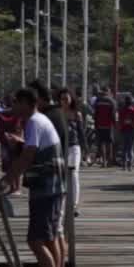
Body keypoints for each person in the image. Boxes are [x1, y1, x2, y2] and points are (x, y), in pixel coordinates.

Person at [0, 88, 65, 267]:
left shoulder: (34, 122)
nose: (13, 106)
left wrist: (5, 180)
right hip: (51, 186)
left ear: (27, 103)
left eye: (16, 102)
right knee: (49, 238)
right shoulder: (39, 120)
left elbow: (28, 156)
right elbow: (31, 150)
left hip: (46, 187)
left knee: (35, 240)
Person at [60, 88, 84, 217]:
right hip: (60, 148)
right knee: (62, 176)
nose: (64, 101)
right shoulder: (57, 114)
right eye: (62, 99)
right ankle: (62, 205)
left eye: (66, 98)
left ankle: (74, 205)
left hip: (74, 147)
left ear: (71, 99)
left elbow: (81, 133)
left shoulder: (76, 114)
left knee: (73, 175)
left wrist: (86, 151)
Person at [92, 89, 117, 167]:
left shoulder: (98, 101)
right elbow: (113, 114)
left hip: (99, 125)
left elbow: (95, 114)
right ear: (108, 93)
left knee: (102, 143)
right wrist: (115, 124)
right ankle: (109, 161)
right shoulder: (112, 101)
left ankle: (104, 162)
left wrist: (96, 124)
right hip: (109, 125)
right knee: (109, 143)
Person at [117, 97, 134, 171]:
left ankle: (124, 166)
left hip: (123, 131)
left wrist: (120, 127)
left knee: (124, 148)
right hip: (131, 130)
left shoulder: (122, 110)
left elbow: (119, 120)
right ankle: (130, 166)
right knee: (130, 148)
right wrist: (133, 124)